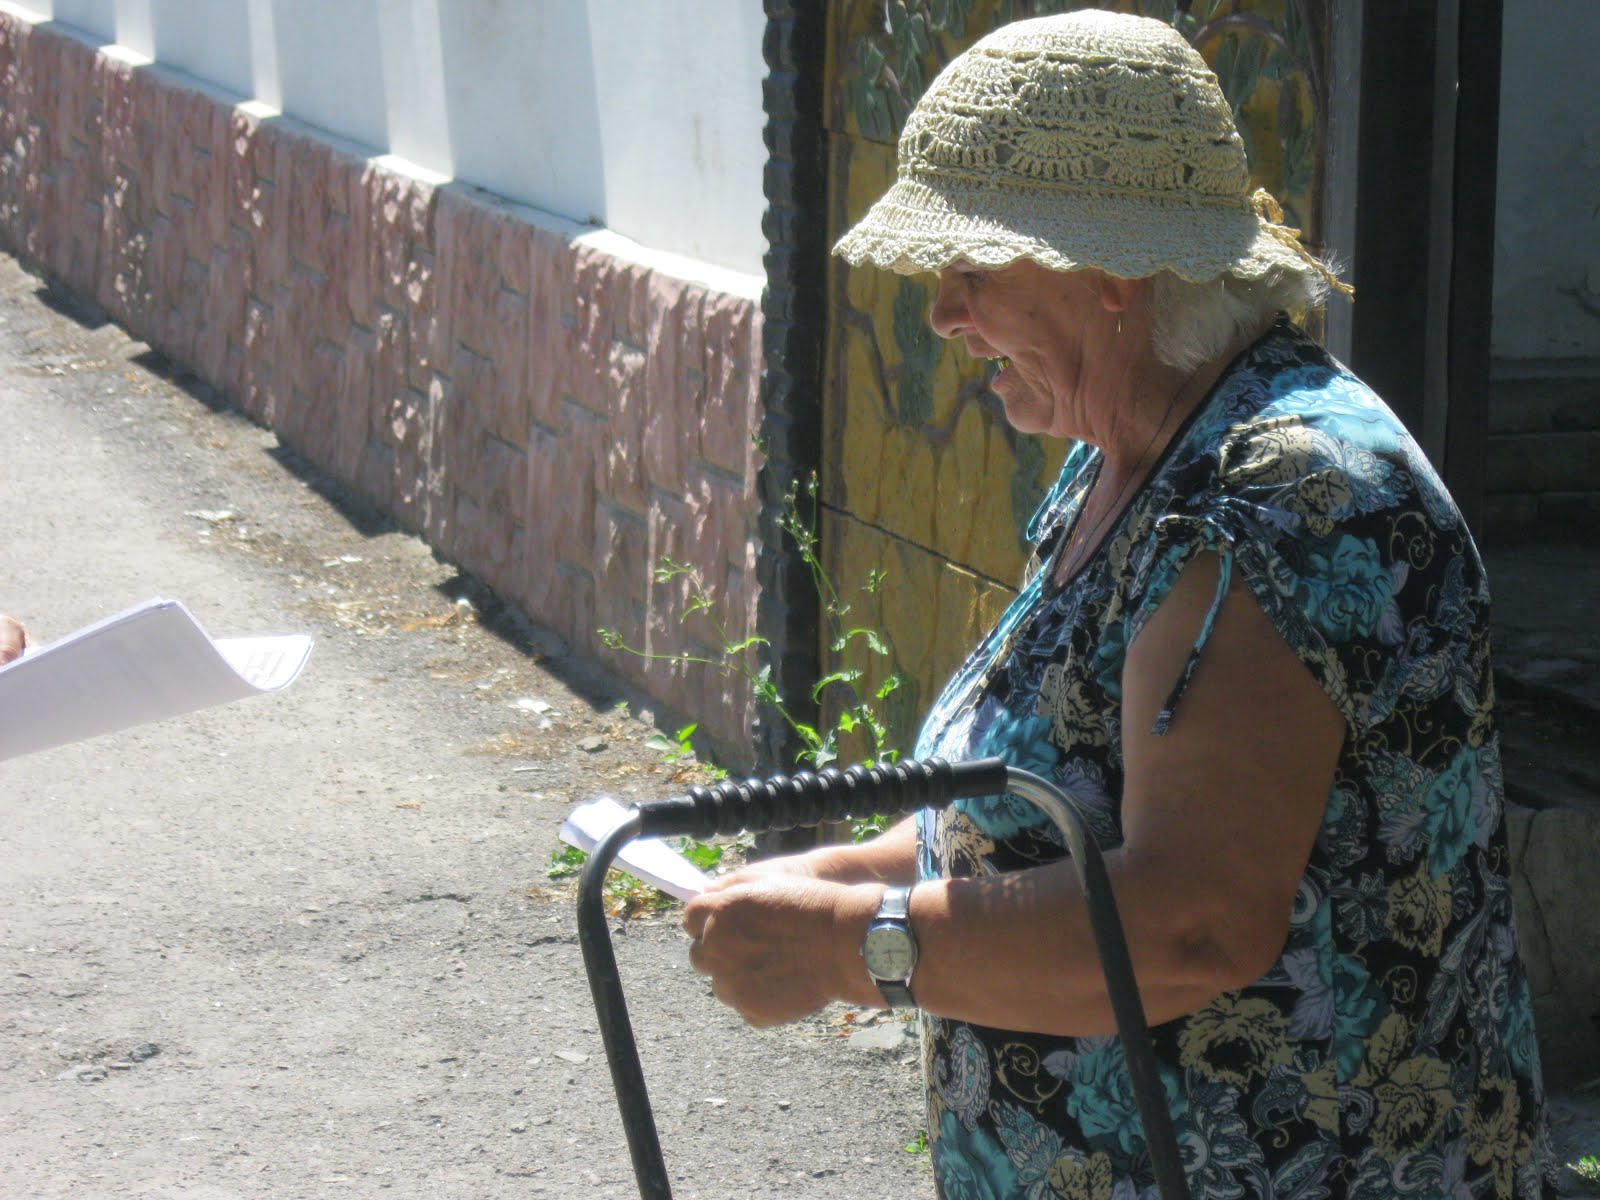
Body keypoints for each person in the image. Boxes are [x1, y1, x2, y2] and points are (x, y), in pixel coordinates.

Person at [683, 10, 1552, 1200]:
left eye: (973, 267)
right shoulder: (1132, 460)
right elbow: (1047, 808)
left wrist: (853, 948)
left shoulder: (1285, 494)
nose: (941, 313)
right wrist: (840, 878)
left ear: (1112, 274)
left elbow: (1192, 921)